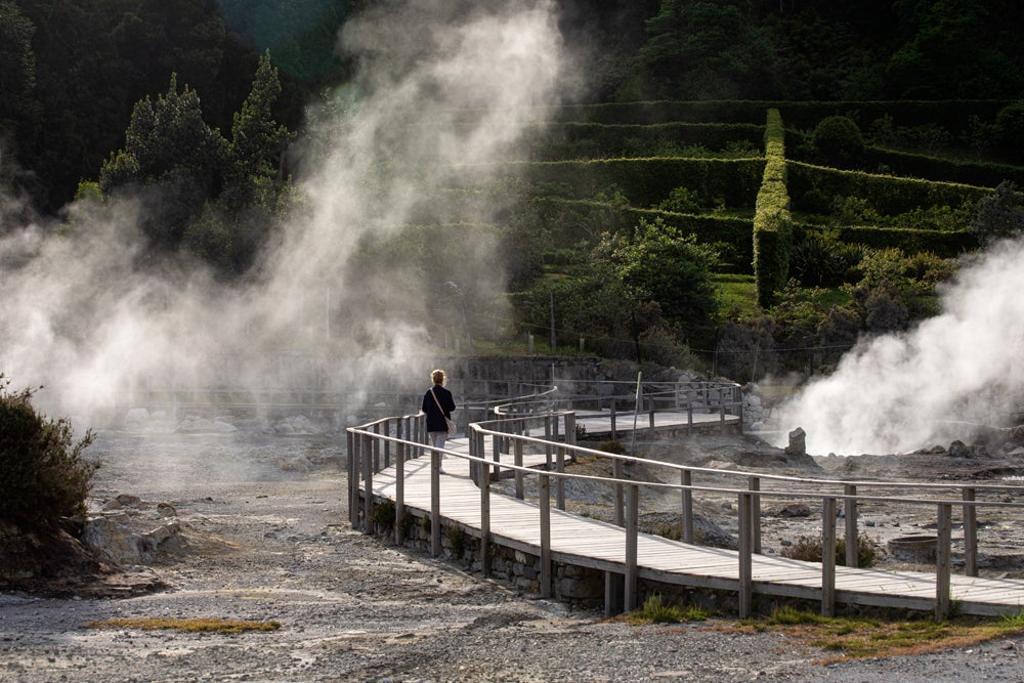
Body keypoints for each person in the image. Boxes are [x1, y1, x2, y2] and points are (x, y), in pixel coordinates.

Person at [422, 369, 456, 462]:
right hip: (442, 423)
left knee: (435, 445)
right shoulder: (447, 393)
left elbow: (424, 409)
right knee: (440, 445)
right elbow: (452, 407)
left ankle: (436, 465)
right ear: (443, 379)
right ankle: (438, 466)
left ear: (433, 379)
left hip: (431, 423)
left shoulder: (429, 393)